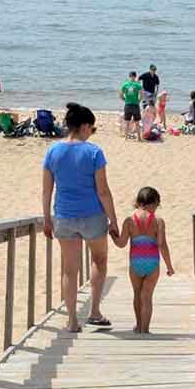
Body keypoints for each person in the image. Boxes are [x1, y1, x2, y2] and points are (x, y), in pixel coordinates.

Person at [41, 103, 118, 332]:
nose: (91, 133)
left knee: (69, 269)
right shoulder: (94, 152)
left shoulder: (53, 152)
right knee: (99, 260)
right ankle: (94, 311)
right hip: (92, 215)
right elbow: (103, 191)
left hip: (64, 216)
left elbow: (47, 190)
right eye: (92, 129)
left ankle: (72, 320)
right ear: (84, 126)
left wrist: (47, 219)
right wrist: (113, 220)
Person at [117, 186, 176, 333]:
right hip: (152, 263)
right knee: (147, 297)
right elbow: (162, 245)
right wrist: (169, 266)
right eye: (157, 205)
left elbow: (121, 244)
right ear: (154, 203)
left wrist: (113, 235)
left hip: (135, 263)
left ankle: (138, 325)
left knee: (137, 294)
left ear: (138, 202)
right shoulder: (158, 221)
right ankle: (145, 329)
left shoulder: (129, 221)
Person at [120, 71, 144, 140]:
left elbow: (120, 94)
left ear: (129, 76)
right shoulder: (138, 85)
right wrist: (139, 101)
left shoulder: (125, 84)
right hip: (135, 105)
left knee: (127, 122)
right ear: (135, 76)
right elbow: (141, 95)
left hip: (128, 105)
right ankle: (139, 138)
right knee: (137, 122)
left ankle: (126, 138)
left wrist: (124, 99)